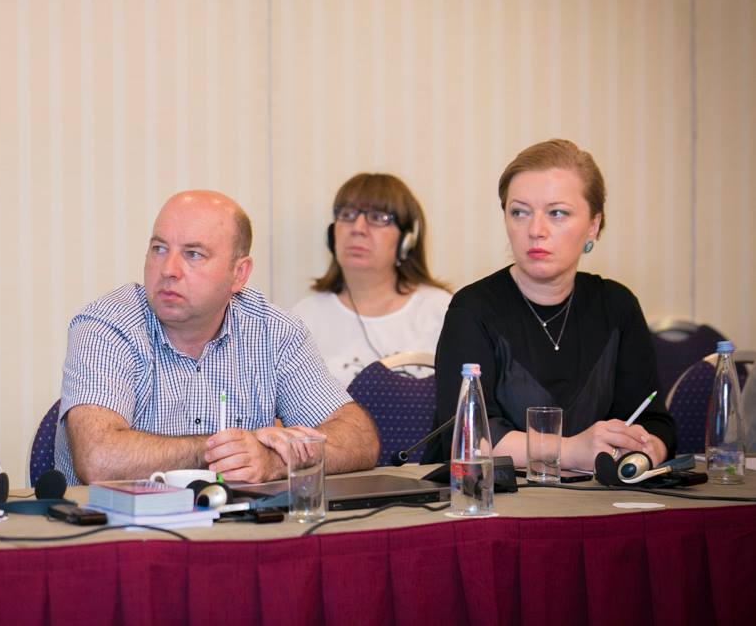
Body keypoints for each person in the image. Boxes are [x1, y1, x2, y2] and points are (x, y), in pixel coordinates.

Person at [55, 190, 380, 485]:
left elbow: (359, 438)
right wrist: (231, 451)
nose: (168, 269)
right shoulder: (107, 325)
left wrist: (273, 461)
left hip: (239, 525)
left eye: (193, 254)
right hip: (120, 528)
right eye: (159, 249)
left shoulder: (274, 331)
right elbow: (99, 460)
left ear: (239, 274)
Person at [424, 140, 676, 470]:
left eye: (557, 213)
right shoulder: (472, 309)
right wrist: (569, 450)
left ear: (593, 225)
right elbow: (470, 437)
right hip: (486, 494)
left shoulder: (617, 305)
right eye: (519, 212)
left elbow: (654, 421)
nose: (535, 230)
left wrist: (643, 452)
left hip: (598, 494)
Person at [293, 173, 451, 386]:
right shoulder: (305, 317)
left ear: (407, 240)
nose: (357, 229)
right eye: (347, 215)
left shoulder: (441, 311)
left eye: (378, 217)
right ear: (332, 235)